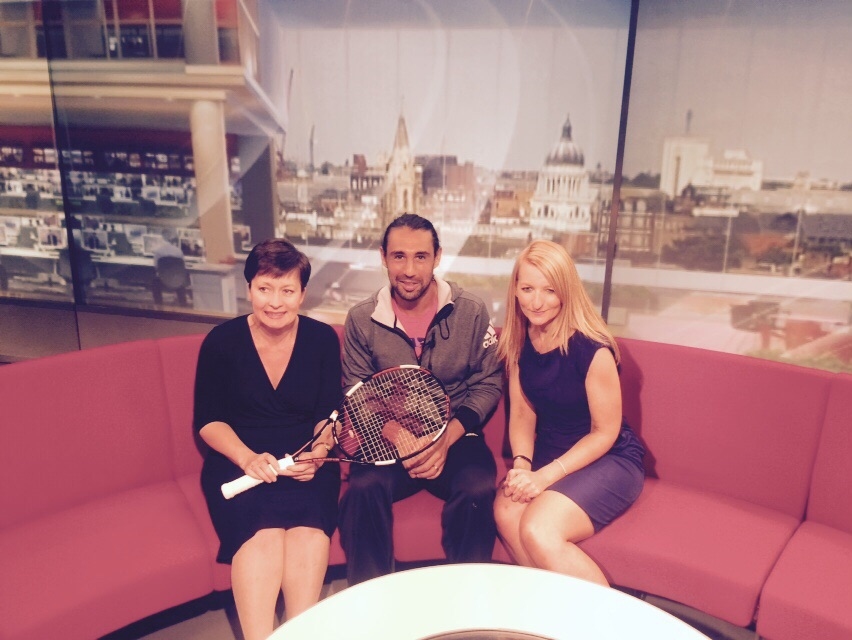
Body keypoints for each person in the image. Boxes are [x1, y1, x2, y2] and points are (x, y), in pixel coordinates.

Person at [339, 213, 503, 585]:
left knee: (477, 488)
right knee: (362, 489)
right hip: (387, 438)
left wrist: (445, 440)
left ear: (437, 258)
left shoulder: (471, 310)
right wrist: (399, 436)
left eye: (420, 257)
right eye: (399, 256)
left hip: (456, 435)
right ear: (383, 257)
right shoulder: (361, 318)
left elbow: (488, 383)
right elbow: (356, 392)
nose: (410, 270)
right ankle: (370, 599)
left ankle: (467, 598)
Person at [193, 239, 341, 639]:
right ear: (249, 289)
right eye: (265, 289)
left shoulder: (322, 339)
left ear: (302, 294)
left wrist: (320, 451)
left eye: (287, 290)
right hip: (239, 461)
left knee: (308, 534)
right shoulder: (221, 341)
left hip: (304, 463)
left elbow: (328, 414)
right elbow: (208, 421)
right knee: (263, 536)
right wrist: (247, 458)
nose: (275, 302)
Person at [494, 239, 645, 586]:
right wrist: (522, 466)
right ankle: (549, 610)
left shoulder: (593, 348)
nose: (536, 301)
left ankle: (606, 617)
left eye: (549, 290)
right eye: (527, 288)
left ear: (566, 291)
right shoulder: (520, 339)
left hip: (608, 457)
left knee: (538, 528)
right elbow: (522, 415)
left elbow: (604, 433)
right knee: (506, 511)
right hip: (551, 452)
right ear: (515, 289)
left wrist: (543, 477)